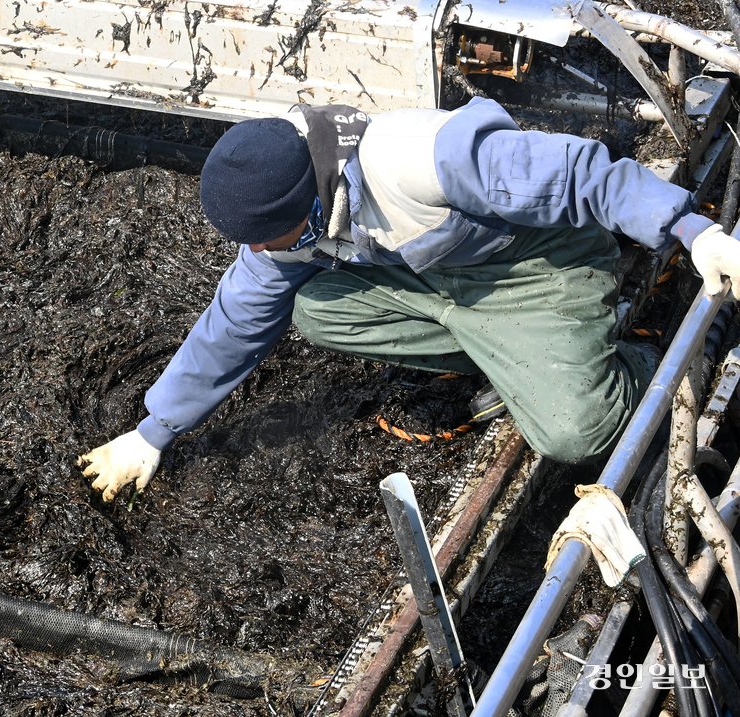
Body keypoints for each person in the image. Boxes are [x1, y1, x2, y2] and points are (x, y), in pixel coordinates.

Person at [78, 97, 740, 502]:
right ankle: (506, 356)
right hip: (442, 280)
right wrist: (152, 430)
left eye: (267, 240)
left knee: (575, 431)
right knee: (314, 309)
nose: (259, 254)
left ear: (306, 200)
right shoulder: (286, 223)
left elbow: (581, 172)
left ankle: (655, 357)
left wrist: (693, 230)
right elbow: (235, 322)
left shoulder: (424, 158)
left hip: (536, 265)